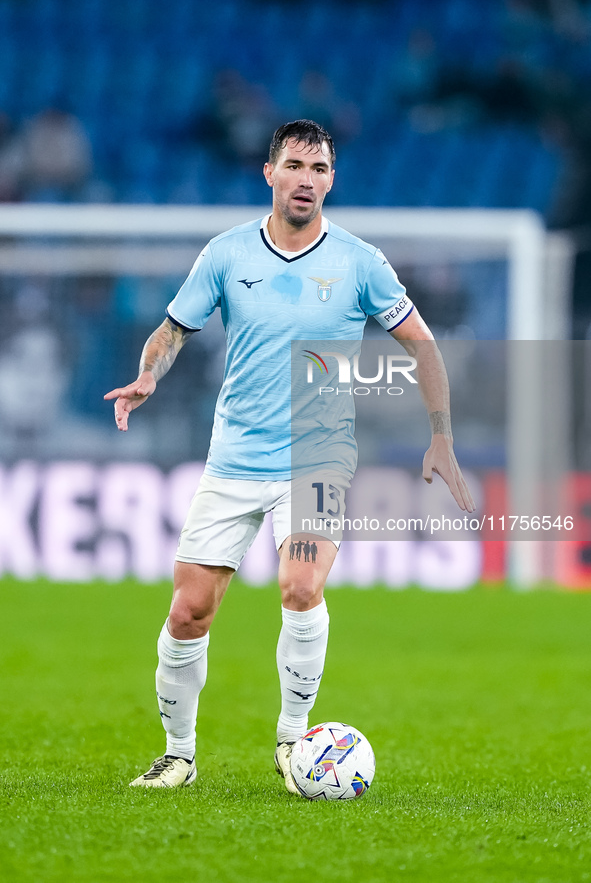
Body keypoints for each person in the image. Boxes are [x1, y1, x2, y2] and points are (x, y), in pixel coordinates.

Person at [104, 119, 474, 793]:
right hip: (235, 458)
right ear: (268, 173)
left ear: (331, 180)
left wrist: (441, 434)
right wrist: (149, 374)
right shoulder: (226, 254)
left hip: (319, 458)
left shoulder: (360, 262)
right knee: (189, 610)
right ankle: (177, 753)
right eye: (296, 166)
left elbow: (421, 345)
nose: (308, 179)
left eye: (321, 169)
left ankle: (292, 741)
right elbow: (171, 330)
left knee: (300, 588)